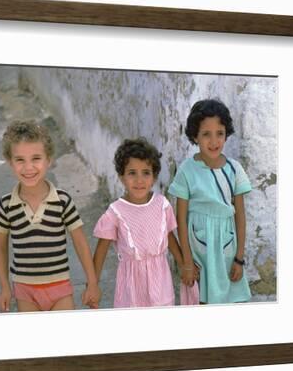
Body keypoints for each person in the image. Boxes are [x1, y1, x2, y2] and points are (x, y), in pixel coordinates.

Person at [0, 120, 100, 312]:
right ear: (10, 162)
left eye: (36, 158)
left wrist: (92, 283)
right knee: (33, 342)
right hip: (24, 291)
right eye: (20, 160)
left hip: (59, 289)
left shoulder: (62, 201)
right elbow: (0, 247)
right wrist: (4, 287)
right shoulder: (6, 205)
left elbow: (81, 243)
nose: (29, 168)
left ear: (49, 160)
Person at [168, 99, 252, 304]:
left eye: (220, 133)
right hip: (199, 249)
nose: (214, 141)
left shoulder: (234, 169)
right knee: (201, 300)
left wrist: (239, 258)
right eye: (206, 134)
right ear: (195, 136)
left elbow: (240, 215)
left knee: (231, 300)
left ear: (226, 133)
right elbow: (181, 219)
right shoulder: (187, 170)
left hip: (227, 246)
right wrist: (187, 261)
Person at [92, 138, 191, 308]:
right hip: (131, 288)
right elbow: (101, 250)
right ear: (121, 176)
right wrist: (92, 285)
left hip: (160, 283)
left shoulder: (162, 205)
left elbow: (168, 236)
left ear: (154, 177)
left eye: (146, 172)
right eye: (132, 173)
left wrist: (184, 265)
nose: (139, 180)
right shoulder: (116, 212)